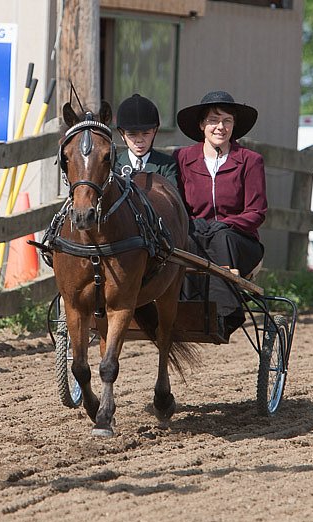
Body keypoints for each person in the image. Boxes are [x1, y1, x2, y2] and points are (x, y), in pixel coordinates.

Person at [173, 90, 267, 337]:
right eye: (214, 120)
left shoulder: (250, 160)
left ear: (234, 125)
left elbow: (256, 213)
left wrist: (225, 224)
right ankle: (186, 313)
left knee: (221, 238)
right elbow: (178, 206)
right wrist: (195, 225)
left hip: (238, 240)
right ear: (202, 124)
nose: (220, 127)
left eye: (227, 121)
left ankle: (224, 314)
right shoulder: (182, 159)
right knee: (186, 242)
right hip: (196, 235)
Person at [114, 94, 178, 187]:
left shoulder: (166, 165)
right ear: (122, 134)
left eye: (145, 134)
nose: (139, 140)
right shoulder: (114, 165)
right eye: (132, 134)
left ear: (155, 131)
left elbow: (172, 198)